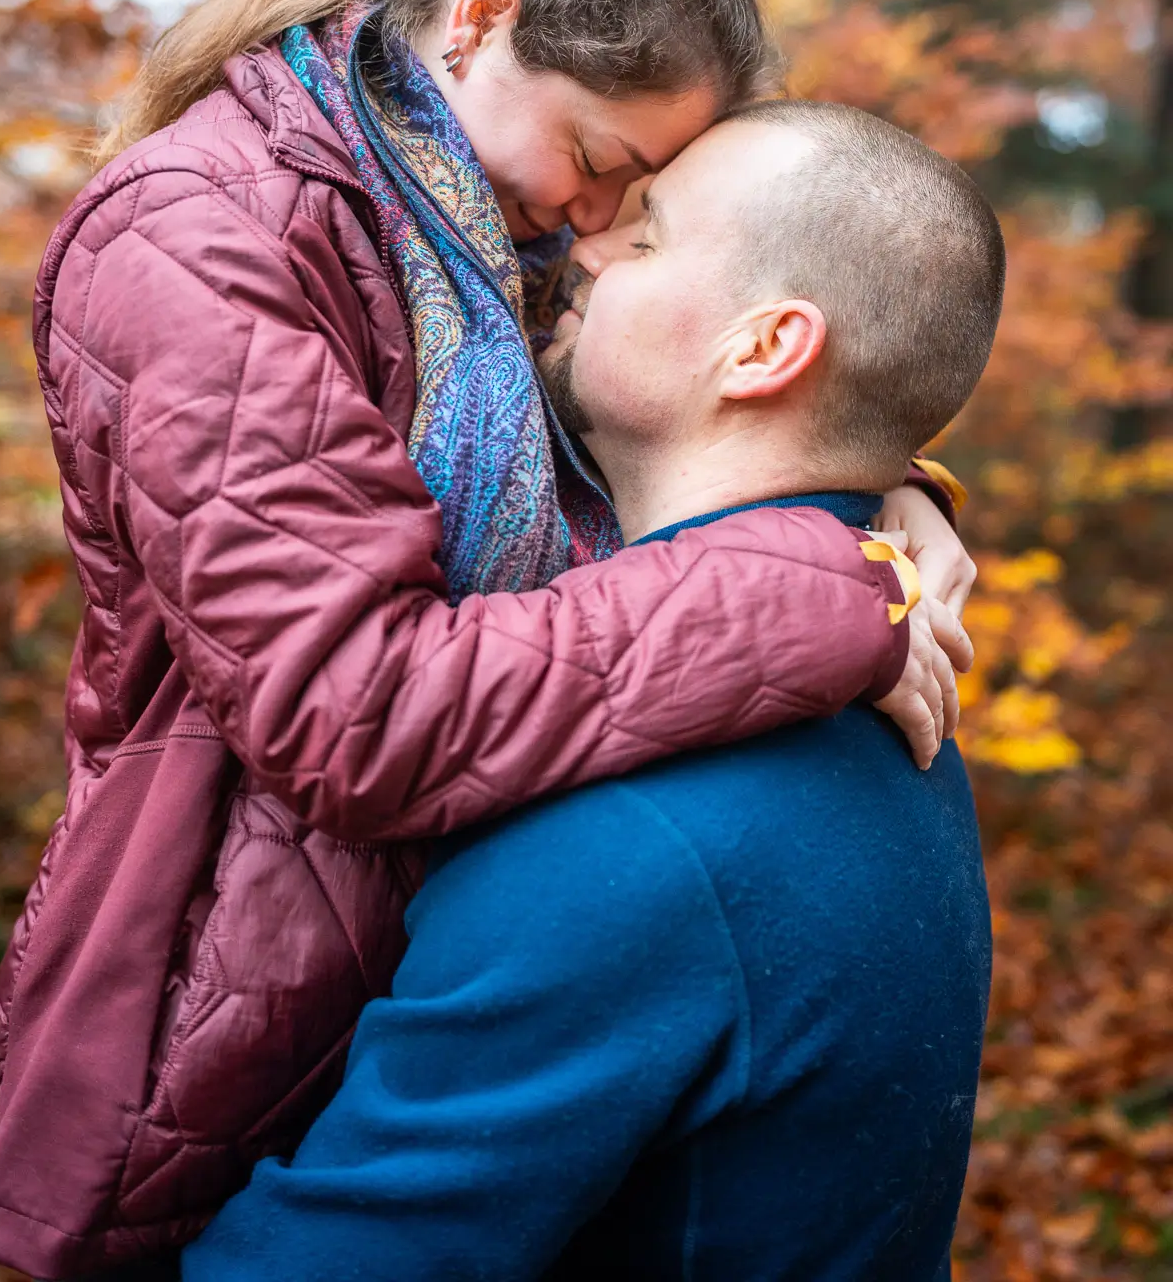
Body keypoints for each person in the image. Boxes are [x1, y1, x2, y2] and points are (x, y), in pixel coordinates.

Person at [0, 0, 973, 1280]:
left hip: (468, 940)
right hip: (231, 983)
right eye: (602, 160)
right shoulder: (200, 234)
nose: (594, 225)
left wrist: (884, 493)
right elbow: (353, 709)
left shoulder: (471, 216)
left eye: (639, 198)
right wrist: (821, 587)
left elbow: (715, 395)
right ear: (481, 21)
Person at [185, 101, 1002, 1282]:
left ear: (762, 351)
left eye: (648, 235)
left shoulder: (631, 837)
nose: (586, 245)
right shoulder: (873, 694)